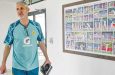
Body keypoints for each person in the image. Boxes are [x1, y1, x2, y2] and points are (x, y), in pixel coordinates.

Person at [0, 1, 51, 75]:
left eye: (21, 8)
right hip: (17, 67)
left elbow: (41, 43)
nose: (19, 11)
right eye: (17, 9)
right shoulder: (12, 27)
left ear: (27, 9)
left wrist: (47, 58)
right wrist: (3, 63)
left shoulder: (36, 26)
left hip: (33, 66)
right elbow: (8, 45)